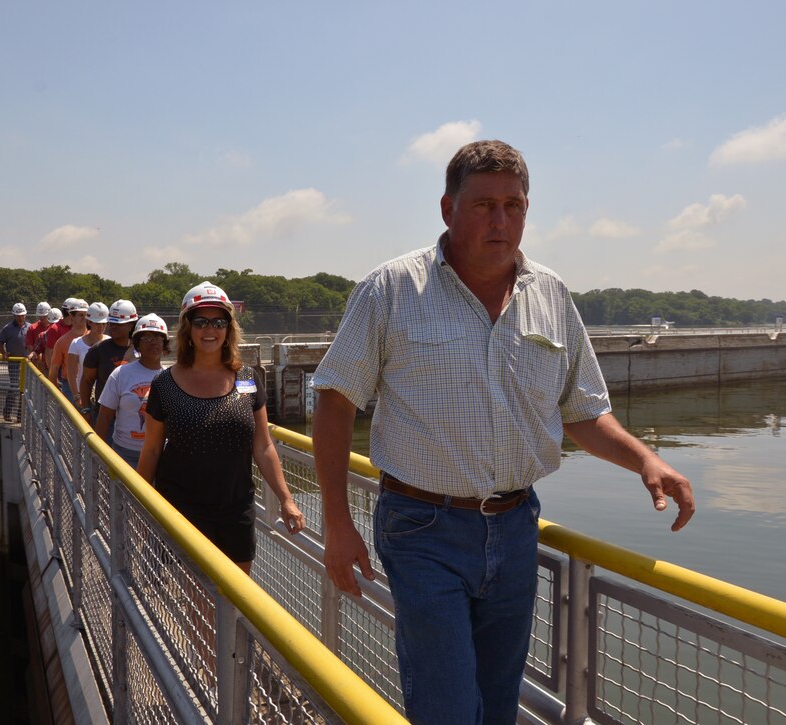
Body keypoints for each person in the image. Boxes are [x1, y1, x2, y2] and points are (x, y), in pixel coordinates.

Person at [311, 140, 695, 724]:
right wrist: (337, 523)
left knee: (497, 707)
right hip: (421, 527)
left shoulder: (551, 295)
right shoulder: (391, 290)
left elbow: (582, 412)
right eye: (484, 204)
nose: (501, 220)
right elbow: (335, 402)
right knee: (447, 708)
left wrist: (645, 459)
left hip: (515, 528)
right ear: (447, 208)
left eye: (514, 205)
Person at [137, 282, 305, 573]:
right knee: (200, 600)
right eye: (200, 321)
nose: (209, 329)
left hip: (235, 507)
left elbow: (263, 445)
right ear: (187, 328)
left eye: (219, 321)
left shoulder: (246, 378)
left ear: (229, 328)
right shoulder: (164, 385)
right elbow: (151, 450)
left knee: (236, 596)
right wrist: (138, 501)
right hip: (182, 507)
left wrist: (286, 499)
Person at [94, 313, 169, 468]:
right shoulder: (121, 374)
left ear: (164, 344)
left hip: (159, 454)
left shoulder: (170, 378)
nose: (153, 343)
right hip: (125, 453)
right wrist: (99, 454)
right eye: (146, 338)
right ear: (137, 344)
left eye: (158, 338)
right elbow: (104, 417)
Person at [80, 299, 138, 424]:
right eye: (111, 323)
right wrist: (85, 409)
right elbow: (86, 380)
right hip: (105, 418)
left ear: (131, 325)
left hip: (134, 418)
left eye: (118, 324)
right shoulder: (99, 350)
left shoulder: (141, 350)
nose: (112, 327)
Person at [70, 301, 110, 414]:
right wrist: (77, 396)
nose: (101, 327)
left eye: (104, 324)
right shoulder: (76, 344)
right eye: (97, 323)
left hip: (105, 398)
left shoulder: (110, 342)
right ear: (89, 322)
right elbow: (72, 373)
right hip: (84, 397)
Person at [0, 302, 31, 422]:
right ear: (14, 316)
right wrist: (4, 353)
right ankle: (7, 412)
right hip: (14, 363)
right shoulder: (8, 329)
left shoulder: (30, 327)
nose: (21, 318)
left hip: (27, 363)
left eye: (22, 315)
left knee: (25, 389)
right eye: (18, 316)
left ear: (25, 315)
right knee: (15, 387)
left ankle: (20, 416)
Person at [49, 299, 88, 403]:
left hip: (90, 385)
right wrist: (58, 393)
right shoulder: (62, 341)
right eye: (80, 315)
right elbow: (53, 370)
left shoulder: (95, 338)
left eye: (86, 315)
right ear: (71, 316)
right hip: (70, 387)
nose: (84, 318)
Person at [25, 301, 52, 373]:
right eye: (40, 316)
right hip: (38, 364)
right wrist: (36, 354)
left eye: (44, 316)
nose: (42, 318)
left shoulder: (55, 327)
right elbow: (29, 345)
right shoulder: (32, 328)